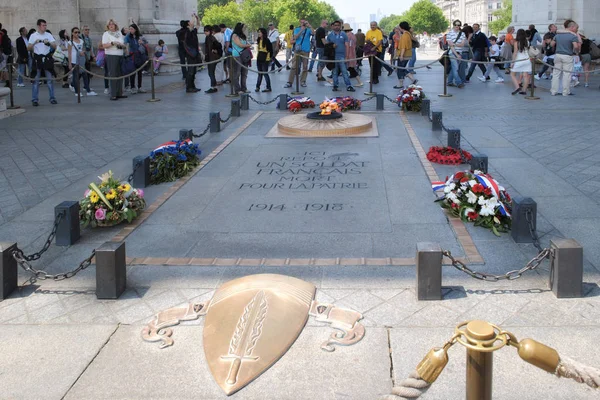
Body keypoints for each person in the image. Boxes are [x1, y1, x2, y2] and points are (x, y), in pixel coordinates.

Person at [28, 19, 58, 106]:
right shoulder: (33, 35)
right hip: (37, 58)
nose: (45, 27)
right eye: (43, 25)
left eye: (45, 25)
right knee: (36, 80)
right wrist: (35, 43)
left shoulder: (48, 35)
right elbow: (28, 48)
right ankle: (34, 99)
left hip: (47, 58)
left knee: (49, 80)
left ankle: (52, 98)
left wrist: (48, 43)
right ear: (38, 26)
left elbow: (55, 46)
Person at [551, 21, 580, 96]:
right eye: (575, 28)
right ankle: (565, 92)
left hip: (557, 55)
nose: (576, 29)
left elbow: (552, 44)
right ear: (572, 27)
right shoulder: (573, 36)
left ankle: (553, 91)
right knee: (566, 75)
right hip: (567, 56)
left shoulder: (558, 35)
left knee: (556, 74)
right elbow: (576, 46)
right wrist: (577, 52)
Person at [101, 18, 127, 101]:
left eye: (112, 24)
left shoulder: (119, 33)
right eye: (109, 24)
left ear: (115, 25)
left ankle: (119, 92)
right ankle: (113, 94)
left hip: (120, 54)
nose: (111, 25)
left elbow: (123, 42)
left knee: (120, 74)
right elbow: (104, 45)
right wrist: (112, 43)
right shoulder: (106, 34)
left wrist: (122, 45)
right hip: (111, 55)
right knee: (113, 74)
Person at [325, 20, 354, 92]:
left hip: (342, 56)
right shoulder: (330, 36)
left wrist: (347, 56)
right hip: (333, 56)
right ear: (333, 26)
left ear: (340, 26)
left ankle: (348, 85)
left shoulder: (344, 34)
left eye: (338, 25)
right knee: (334, 72)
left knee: (344, 71)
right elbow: (327, 46)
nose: (337, 26)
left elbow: (347, 46)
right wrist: (332, 46)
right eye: (335, 25)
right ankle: (335, 85)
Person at [68, 27, 96, 96]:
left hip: (81, 60)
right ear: (72, 33)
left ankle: (88, 90)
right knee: (76, 76)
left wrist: (84, 52)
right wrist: (69, 63)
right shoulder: (70, 42)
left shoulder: (81, 41)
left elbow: (83, 48)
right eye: (75, 32)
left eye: (78, 32)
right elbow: (69, 53)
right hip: (74, 61)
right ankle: (77, 92)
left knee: (85, 75)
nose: (77, 34)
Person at [284, 19, 313, 88]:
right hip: (298, 50)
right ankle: (289, 82)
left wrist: (309, 26)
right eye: (302, 22)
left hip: (306, 50)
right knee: (294, 66)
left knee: (305, 67)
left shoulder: (308, 30)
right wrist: (301, 30)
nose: (303, 23)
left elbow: (314, 33)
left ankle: (303, 81)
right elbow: (295, 37)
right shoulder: (296, 29)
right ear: (300, 23)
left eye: (304, 22)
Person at [124, 23, 147, 94]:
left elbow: (146, 42)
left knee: (140, 71)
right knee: (132, 71)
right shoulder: (128, 36)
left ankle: (140, 87)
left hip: (139, 55)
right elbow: (125, 44)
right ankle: (132, 87)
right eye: (130, 29)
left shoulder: (139, 36)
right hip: (132, 55)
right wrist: (127, 53)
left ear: (135, 29)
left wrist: (142, 42)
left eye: (132, 29)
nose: (130, 30)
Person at [394, 21, 417, 90]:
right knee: (402, 68)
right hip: (408, 54)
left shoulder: (404, 35)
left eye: (399, 27)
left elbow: (403, 46)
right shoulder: (408, 34)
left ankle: (402, 83)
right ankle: (412, 80)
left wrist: (401, 55)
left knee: (400, 69)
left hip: (404, 55)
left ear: (401, 27)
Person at [231, 22, 251, 94]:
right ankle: (237, 89)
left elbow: (245, 43)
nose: (244, 29)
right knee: (237, 73)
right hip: (237, 55)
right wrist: (248, 46)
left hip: (244, 55)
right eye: (243, 28)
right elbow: (240, 44)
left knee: (244, 73)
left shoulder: (243, 35)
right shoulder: (235, 35)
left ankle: (244, 88)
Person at [183, 14, 201, 93]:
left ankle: (193, 86)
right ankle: (188, 87)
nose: (191, 23)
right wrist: (193, 16)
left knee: (193, 71)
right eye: (190, 22)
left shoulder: (193, 31)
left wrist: (197, 18)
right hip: (190, 54)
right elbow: (193, 24)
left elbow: (198, 25)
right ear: (188, 25)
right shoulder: (187, 31)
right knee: (190, 71)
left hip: (194, 54)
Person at [445, 20, 466, 88]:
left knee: (454, 68)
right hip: (452, 53)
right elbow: (451, 46)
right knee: (455, 68)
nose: (457, 27)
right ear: (453, 26)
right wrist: (457, 55)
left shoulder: (462, 34)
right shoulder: (449, 34)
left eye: (458, 26)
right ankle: (458, 82)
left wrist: (454, 44)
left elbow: (462, 44)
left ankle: (450, 81)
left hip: (460, 52)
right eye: (456, 25)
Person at [510, 29, 530, 95]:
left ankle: (517, 87)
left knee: (512, 74)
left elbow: (515, 53)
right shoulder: (527, 41)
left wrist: (512, 62)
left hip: (519, 60)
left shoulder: (516, 42)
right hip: (527, 59)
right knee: (525, 76)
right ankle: (524, 90)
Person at [255, 27, 273, 92]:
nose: (259, 33)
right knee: (260, 73)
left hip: (265, 58)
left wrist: (268, 59)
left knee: (265, 73)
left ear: (263, 33)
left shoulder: (267, 41)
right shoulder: (258, 40)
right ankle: (257, 87)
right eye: (258, 32)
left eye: (260, 32)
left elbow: (270, 50)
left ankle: (268, 87)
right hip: (259, 58)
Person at [203, 25, 219, 94]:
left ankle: (213, 87)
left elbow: (216, 47)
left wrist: (215, 51)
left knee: (211, 73)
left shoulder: (210, 38)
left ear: (210, 31)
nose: (205, 32)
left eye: (207, 31)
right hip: (211, 58)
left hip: (212, 58)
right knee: (211, 73)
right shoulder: (209, 38)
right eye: (204, 31)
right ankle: (214, 86)